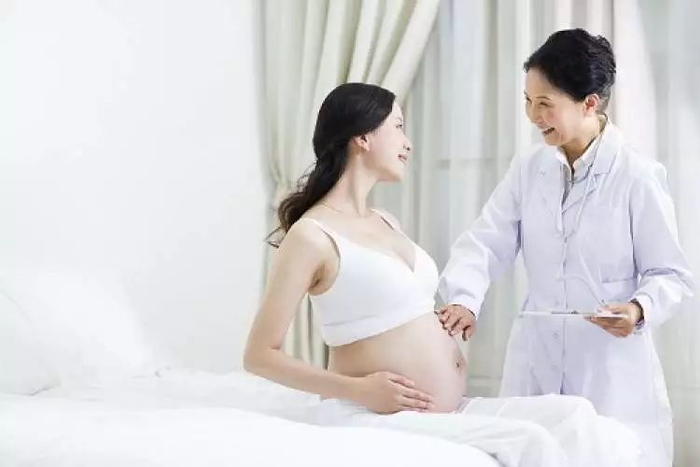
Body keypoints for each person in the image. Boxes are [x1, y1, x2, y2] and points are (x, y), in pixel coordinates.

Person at [244, 82, 641, 467]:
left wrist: (446, 317)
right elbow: (259, 356)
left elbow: (393, 312)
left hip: (443, 408)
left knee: (574, 415)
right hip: (373, 412)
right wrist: (359, 390)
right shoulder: (312, 236)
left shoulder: (385, 221)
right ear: (362, 138)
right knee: (532, 442)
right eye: (398, 127)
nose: (408, 143)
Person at [437, 29, 694, 467]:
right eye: (527, 101)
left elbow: (671, 274)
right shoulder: (529, 168)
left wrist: (638, 309)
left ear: (589, 103)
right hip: (535, 359)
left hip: (609, 372)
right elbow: (487, 239)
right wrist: (464, 297)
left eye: (545, 103)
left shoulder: (636, 176)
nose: (532, 116)